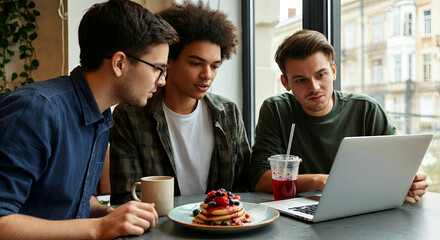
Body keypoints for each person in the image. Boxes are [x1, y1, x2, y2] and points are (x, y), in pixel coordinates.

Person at [0, 0, 178, 239]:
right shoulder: (38, 110)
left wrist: (109, 214)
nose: (162, 81)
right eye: (157, 68)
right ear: (119, 63)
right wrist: (100, 228)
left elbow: (69, 201)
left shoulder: (100, 116)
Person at [249, 29, 428, 204]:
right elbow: (259, 179)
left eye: (321, 75)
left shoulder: (366, 109)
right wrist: (319, 181)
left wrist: (416, 177)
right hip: (299, 212)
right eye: (300, 80)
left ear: (333, 71)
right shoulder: (276, 110)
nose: (314, 87)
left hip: (363, 207)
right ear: (285, 83)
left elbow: (403, 160)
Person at [110, 0, 250, 204]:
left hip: (220, 227)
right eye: (196, 63)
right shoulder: (130, 115)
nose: (207, 75)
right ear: (169, 59)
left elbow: (244, 187)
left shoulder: (229, 113)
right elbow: (126, 197)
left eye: (215, 66)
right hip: (159, 229)